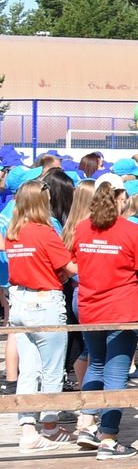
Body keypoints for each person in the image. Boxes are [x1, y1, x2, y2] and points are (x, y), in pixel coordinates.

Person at [72, 182, 138, 458]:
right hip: (123, 308)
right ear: (119, 198)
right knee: (116, 373)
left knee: (96, 364)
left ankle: (87, 423)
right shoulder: (133, 230)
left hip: (90, 307)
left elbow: (75, 264)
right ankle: (108, 438)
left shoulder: (82, 228)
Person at [6, 180, 78, 450]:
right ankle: (48, 425)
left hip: (20, 300)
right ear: (40, 202)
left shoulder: (14, 232)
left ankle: (27, 429)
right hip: (44, 301)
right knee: (51, 369)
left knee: (29, 370)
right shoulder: (44, 233)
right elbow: (69, 266)